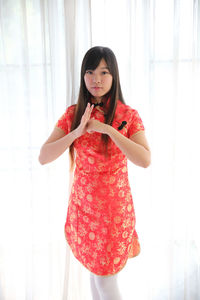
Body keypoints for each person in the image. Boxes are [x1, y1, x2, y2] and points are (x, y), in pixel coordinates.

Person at [39, 46, 151, 300]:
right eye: (90, 72)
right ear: (83, 76)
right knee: (94, 274)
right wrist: (76, 133)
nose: (96, 79)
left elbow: (145, 159)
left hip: (112, 213)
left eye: (104, 72)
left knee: (105, 281)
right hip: (84, 210)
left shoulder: (127, 116)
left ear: (114, 76)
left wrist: (108, 130)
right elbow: (43, 156)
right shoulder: (73, 114)